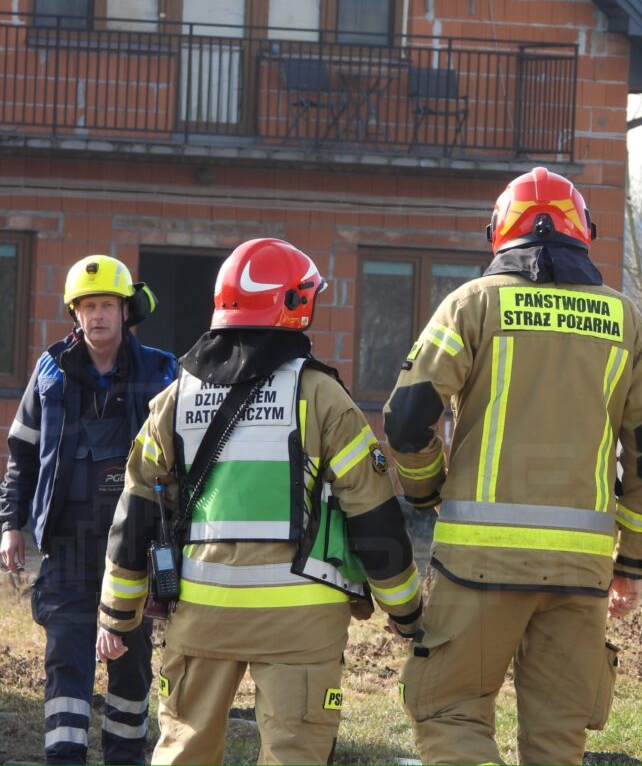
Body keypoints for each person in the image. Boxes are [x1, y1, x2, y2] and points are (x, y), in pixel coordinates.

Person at [94, 238, 422, 765]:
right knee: (295, 754)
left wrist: (116, 615)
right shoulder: (322, 397)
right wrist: (406, 612)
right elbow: (373, 513)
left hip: (202, 614)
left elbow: (135, 512)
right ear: (295, 304)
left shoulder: (175, 399)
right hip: (302, 620)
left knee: (184, 751)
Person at [384, 167, 642, 765]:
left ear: (499, 232)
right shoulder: (626, 322)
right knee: (558, 737)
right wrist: (635, 563)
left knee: (450, 712)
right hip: (580, 570)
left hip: (477, 564)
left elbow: (409, 419)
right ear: (583, 233)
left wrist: (428, 490)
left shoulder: (472, 306)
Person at [0, 255, 176, 764]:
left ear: (126, 311)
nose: (97, 316)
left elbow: (185, 463)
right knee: (67, 661)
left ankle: (125, 755)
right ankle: (65, 757)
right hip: (69, 544)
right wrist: (11, 524)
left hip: (135, 545)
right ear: (74, 314)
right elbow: (23, 451)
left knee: (133, 662)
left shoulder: (161, 371)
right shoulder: (50, 370)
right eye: (87, 306)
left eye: (106, 305)